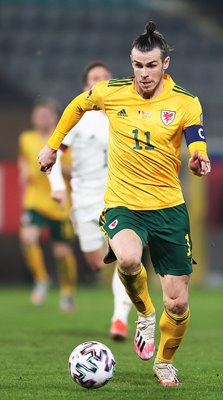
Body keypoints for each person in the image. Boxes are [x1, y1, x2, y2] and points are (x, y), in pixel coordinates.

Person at [38, 21, 211, 386]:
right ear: (130, 63)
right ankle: (145, 314)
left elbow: (196, 139)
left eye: (151, 65)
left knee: (178, 303)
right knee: (129, 258)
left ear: (165, 65)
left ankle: (164, 361)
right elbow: (75, 107)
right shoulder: (111, 92)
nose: (143, 73)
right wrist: (52, 146)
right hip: (123, 203)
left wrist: (198, 159)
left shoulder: (185, 102)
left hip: (168, 209)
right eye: (137, 64)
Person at [48, 62, 132, 340]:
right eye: (95, 79)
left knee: (125, 257)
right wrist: (59, 187)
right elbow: (54, 152)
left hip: (119, 195)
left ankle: (119, 318)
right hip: (84, 199)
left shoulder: (125, 114)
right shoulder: (77, 116)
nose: (102, 83)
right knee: (96, 263)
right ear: (86, 86)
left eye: (106, 78)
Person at [18, 98, 77, 312]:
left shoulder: (64, 140)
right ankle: (42, 279)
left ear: (54, 118)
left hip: (59, 202)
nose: (41, 119)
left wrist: (54, 164)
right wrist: (24, 170)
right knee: (28, 237)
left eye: (46, 115)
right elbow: (24, 159)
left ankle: (68, 292)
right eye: (38, 115)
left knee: (61, 253)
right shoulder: (25, 138)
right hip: (34, 199)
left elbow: (73, 170)